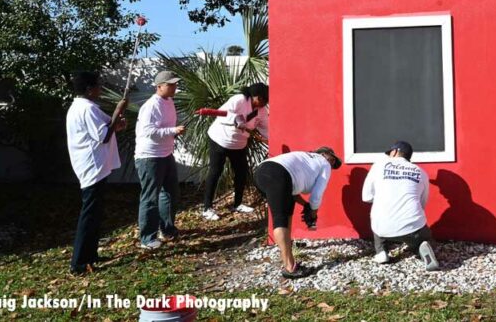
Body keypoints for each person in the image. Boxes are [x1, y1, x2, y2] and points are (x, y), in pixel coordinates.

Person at [65, 71, 125, 275]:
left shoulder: (85, 107)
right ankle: (78, 262)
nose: (101, 88)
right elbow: (104, 136)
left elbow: (110, 127)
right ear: (89, 89)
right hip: (91, 167)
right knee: (89, 214)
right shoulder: (86, 109)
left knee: (95, 213)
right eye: (98, 85)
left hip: (95, 166)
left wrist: (117, 122)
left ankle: (90, 255)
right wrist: (118, 110)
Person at [253, 146, 342, 279]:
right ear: (325, 154)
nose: (333, 164)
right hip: (278, 175)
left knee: (287, 210)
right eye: (333, 160)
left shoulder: (304, 158)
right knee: (280, 219)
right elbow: (317, 195)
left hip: (261, 172)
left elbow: (291, 191)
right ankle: (289, 267)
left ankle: (289, 259)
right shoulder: (324, 163)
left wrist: (305, 205)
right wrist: (313, 213)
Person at [362, 141, 439, 271]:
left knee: (378, 213)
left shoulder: (379, 166)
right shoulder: (421, 172)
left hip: (382, 228)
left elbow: (366, 197)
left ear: (395, 151)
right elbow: (422, 203)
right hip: (412, 227)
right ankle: (420, 248)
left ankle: (381, 252)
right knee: (422, 235)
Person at [202, 83, 269, 220]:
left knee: (241, 172)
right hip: (220, 139)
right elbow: (222, 113)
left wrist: (271, 139)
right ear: (255, 96)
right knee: (215, 172)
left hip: (239, 144)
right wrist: (236, 119)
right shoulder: (239, 99)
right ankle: (207, 208)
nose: (263, 103)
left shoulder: (261, 110)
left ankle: (237, 203)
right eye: (262, 100)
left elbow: (265, 128)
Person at [134, 70, 186, 249]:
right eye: (170, 84)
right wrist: (172, 131)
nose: (174, 87)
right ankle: (147, 238)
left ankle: (168, 229)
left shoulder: (169, 101)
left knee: (170, 193)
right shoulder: (151, 105)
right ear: (159, 87)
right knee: (150, 197)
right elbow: (147, 131)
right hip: (149, 157)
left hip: (165, 154)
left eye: (175, 84)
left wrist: (172, 133)